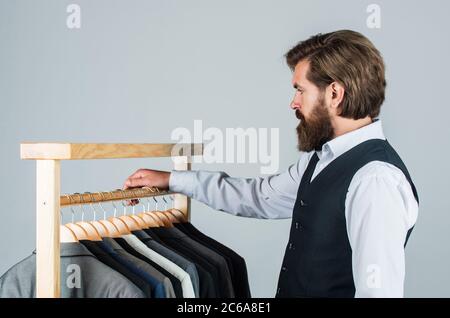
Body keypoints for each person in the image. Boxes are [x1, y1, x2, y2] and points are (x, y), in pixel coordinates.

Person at [123, 30, 419, 298]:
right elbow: (259, 197)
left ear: (334, 93)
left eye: (300, 90)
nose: (293, 103)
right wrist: (173, 179)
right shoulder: (321, 159)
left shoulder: (375, 179)